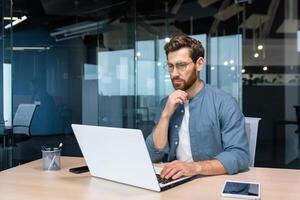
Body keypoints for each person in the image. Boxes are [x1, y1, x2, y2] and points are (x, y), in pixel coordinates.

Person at [146, 35, 249, 180]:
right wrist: (165, 116)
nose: (174, 73)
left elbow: (239, 155)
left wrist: (193, 167)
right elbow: (152, 155)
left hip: (209, 181)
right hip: (174, 181)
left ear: (199, 64)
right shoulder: (166, 103)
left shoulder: (224, 103)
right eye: (170, 66)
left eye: (181, 65)